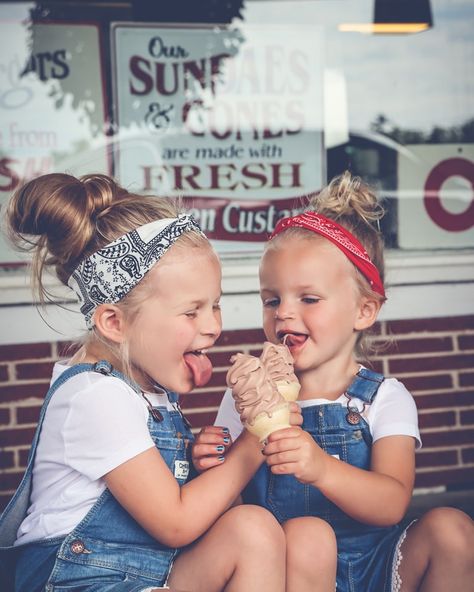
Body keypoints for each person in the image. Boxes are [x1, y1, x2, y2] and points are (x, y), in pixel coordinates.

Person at [0, 172, 290, 592]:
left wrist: (201, 464)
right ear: (115, 322)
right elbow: (174, 523)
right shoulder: (94, 396)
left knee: (254, 530)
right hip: (82, 583)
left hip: (142, 577)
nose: (212, 327)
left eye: (215, 305)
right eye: (191, 312)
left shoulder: (149, 391)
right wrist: (254, 443)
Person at [195, 171, 474, 592]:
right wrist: (214, 463)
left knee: (453, 529)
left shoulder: (383, 398)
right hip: (288, 566)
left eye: (308, 299)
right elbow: (232, 508)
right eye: (272, 300)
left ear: (364, 311)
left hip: (375, 565)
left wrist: (321, 468)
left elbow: (392, 503)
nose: (283, 313)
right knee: (309, 535)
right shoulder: (247, 396)